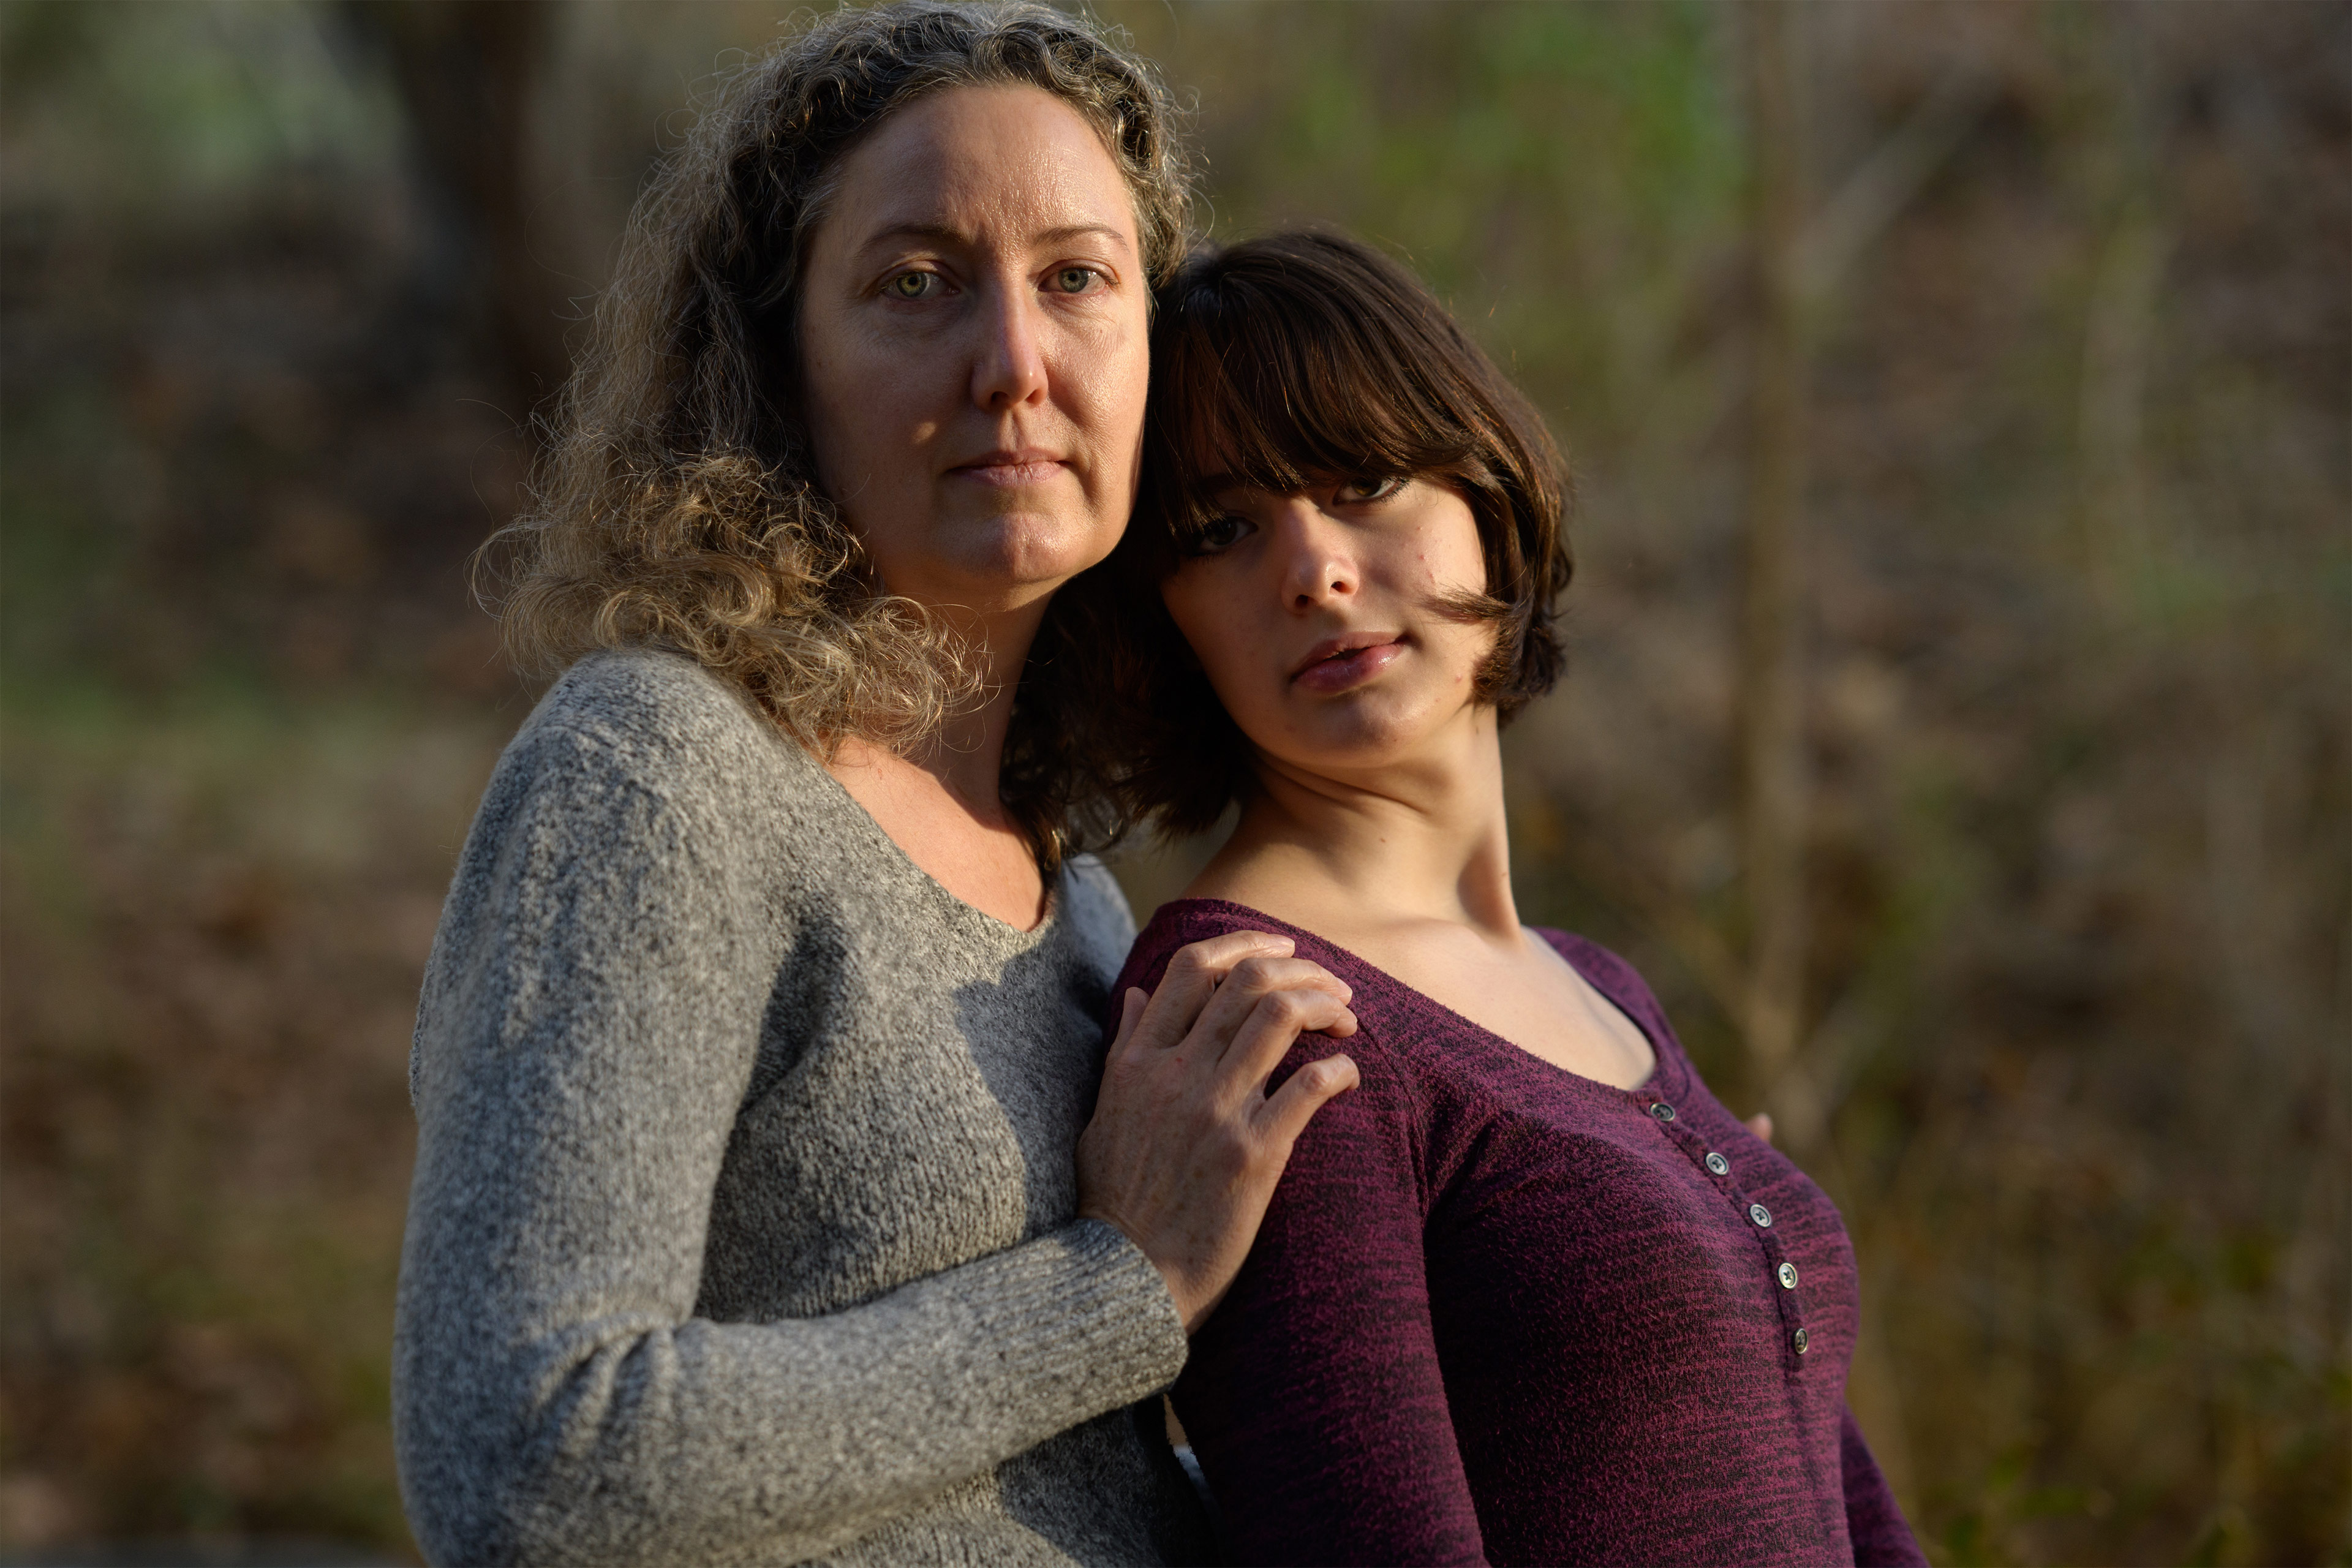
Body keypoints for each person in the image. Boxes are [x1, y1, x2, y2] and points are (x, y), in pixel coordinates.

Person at [391, 9, 1362, 1566]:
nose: (1014, 364)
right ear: (777, 363)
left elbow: (1066, 1494)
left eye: (1077, 279)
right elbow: (527, 1457)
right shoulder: (660, 774)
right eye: (917, 282)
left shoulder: (1077, 890)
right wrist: (1117, 1285)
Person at [1071, 231, 1929, 1566]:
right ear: (1165, 618)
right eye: (1222, 531)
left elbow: (1838, 1492)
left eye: (1364, 480)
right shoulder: (1269, 1012)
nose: (1314, 569)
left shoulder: (1600, 984)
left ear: (1482, 486)